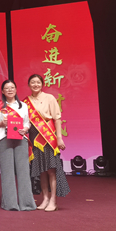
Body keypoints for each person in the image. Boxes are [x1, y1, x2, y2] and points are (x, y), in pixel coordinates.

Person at [23, 74, 70, 212]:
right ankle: (45, 199)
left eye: (38, 82)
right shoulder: (25, 102)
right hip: (34, 137)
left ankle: (53, 200)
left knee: (51, 170)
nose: (35, 84)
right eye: (33, 82)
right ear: (29, 85)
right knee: (41, 170)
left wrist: (59, 138)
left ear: (42, 84)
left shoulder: (49, 98)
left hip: (48, 136)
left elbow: (57, 118)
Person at [0, 80, 36, 211]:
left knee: (23, 172)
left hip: (21, 139)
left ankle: (26, 204)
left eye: (12, 88)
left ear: (16, 89)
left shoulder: (23, 106)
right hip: (4, 139)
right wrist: (1, 124)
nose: (10, 90)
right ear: (3, 91)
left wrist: (25, 129)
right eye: (7, 88)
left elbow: (27, 122)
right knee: (7, 172)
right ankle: (10, 204)